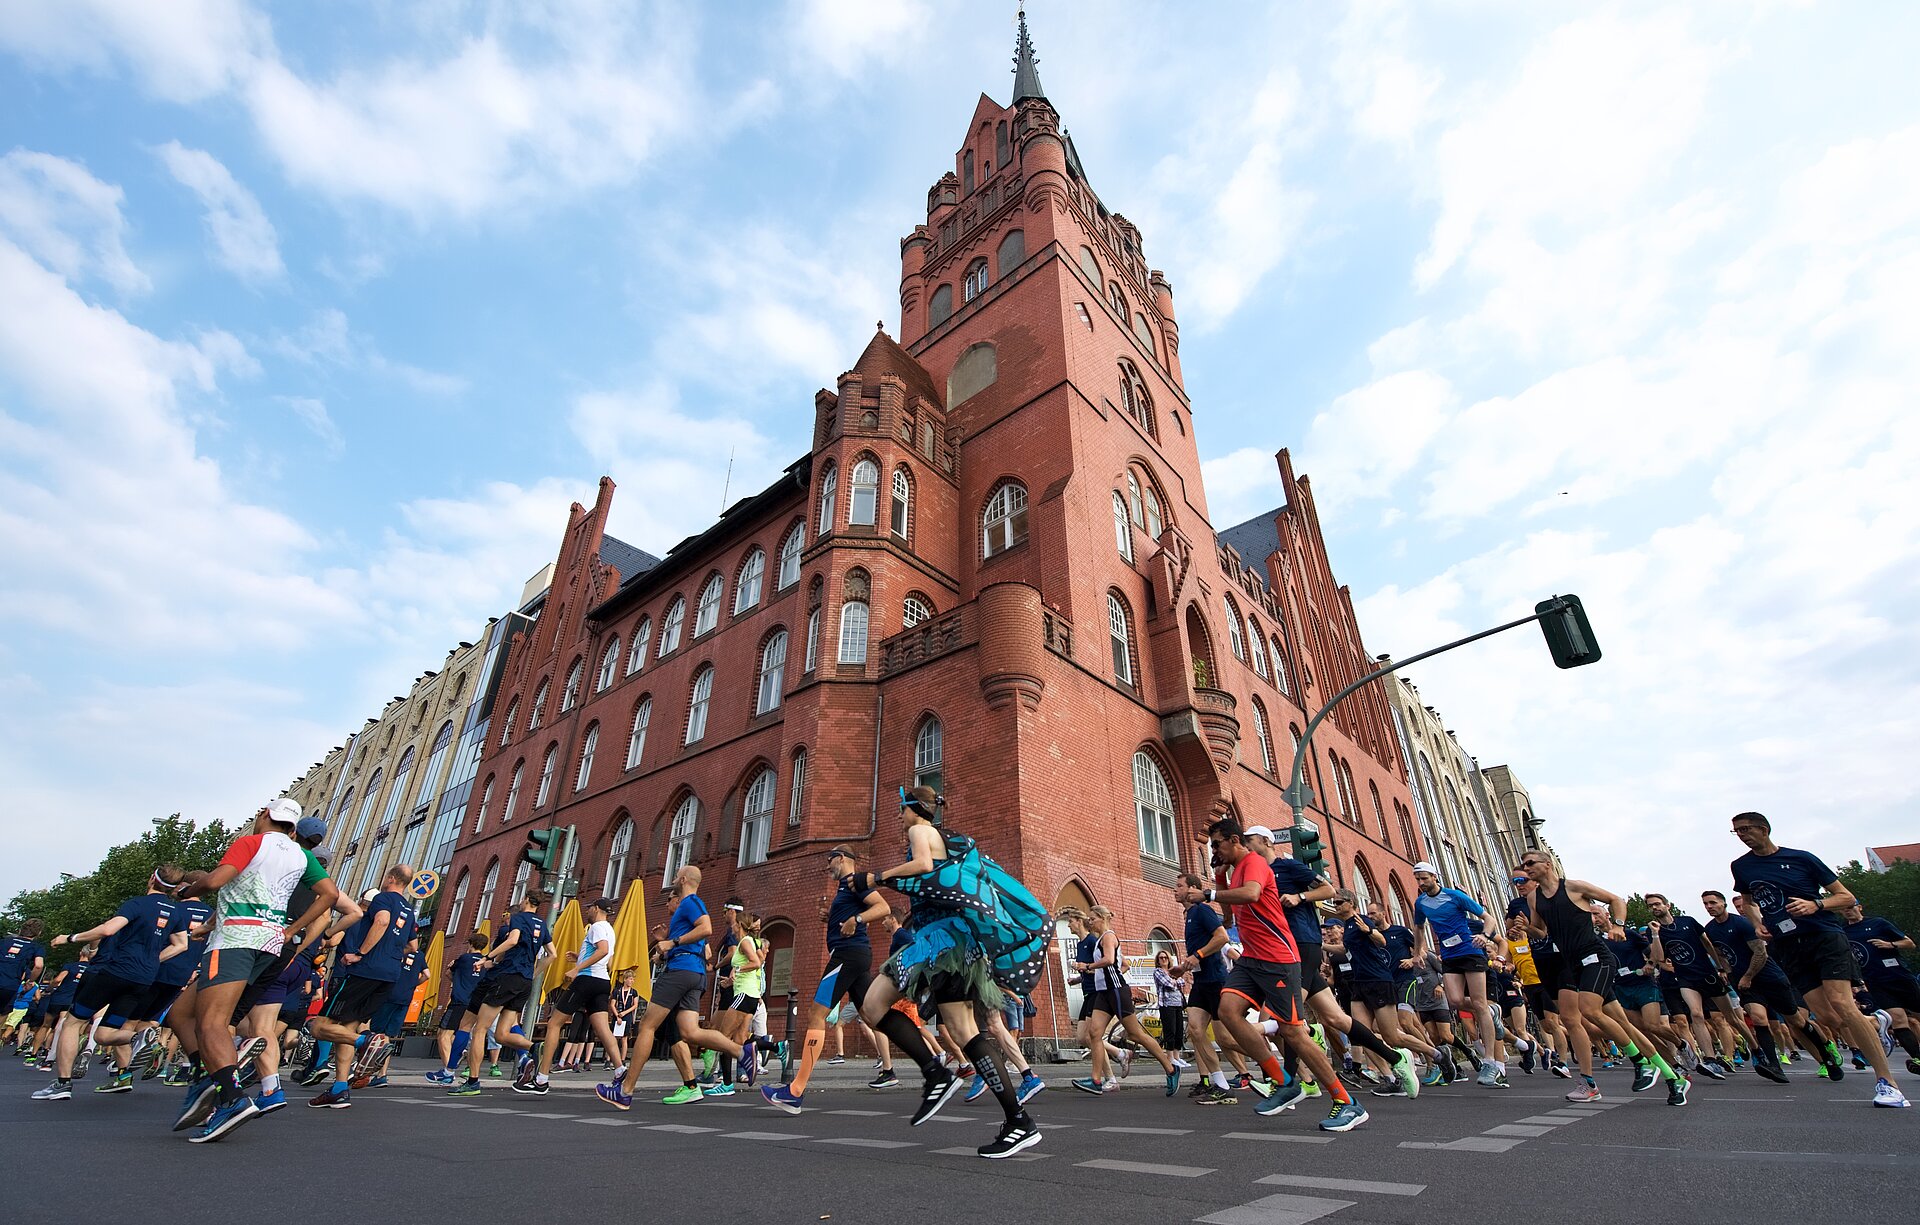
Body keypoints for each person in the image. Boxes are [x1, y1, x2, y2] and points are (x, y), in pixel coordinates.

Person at [840, 785, 1046, 1158]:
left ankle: (935, 1073)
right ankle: (1018, 1121)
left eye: (901, 809)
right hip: (961, 945)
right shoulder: (950, 841)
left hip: (938, 942)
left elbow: (921, 866)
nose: (899, 816)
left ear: (913, 808)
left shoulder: (920, 831)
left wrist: (874, 878)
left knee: (872, 1007)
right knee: (967, 1031)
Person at [169, 799, 338, 1142]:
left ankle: (231, 1098)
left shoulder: (250, 842)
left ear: (264, 815)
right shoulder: (300, 856)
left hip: (234, 939)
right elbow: (330, 895)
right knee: (180, 1013)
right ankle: (208, 1078)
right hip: (270, 945)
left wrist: (189, 890)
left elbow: (217, 880)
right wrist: (293, 931)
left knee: (212, 1022)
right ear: (293, 828)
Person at [1728, 811, 1908, 1107]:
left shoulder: (1802, 858)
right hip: (1788, 945)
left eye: (1745, 829)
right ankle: (1875, 1023)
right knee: (1828, 1018)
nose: (1741, 835)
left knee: (1842, 1003)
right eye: (1736, 831)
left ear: (1763, 829)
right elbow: (1748, 902)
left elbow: (1846, 897)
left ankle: (1888, 1084)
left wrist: (1816, 904)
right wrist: (1758, 922)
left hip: (1824, 936)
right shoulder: (1742, 867)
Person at [1205, 818, 1365, 1132]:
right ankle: (1282, 1081)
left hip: (1279, 959)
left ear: (1235, 840)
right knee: (1228, 1011)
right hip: (1252, 959)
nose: (1214, 850)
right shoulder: (1233, 870)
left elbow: (1251, 894)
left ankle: (1346, 1102)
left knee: (1293, 1033)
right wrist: (1220, 880)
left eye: (1216, 844)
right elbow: (1227, 917)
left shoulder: (1253, 863)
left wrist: (1209, 894)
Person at [1518, 850, 1686, 1105]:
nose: (1525, 868)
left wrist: (1618, 925)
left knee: (1588, 1010)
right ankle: (1674, 1078)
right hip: (1574, 964)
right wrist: (1525, 928)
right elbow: (1541, 932)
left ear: (1547, 864)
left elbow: (1616, 899)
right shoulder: (1534, 898)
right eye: (1523, 865)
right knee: (1623, 1024)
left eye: (1530, 863)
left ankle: (1640, 1061)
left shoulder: (1574, 887)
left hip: (1596, 957)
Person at [597, 865, 753, 1109]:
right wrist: (665, 946)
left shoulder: (691, 901)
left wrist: (673, 941)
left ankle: (625, 1090)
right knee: (690, 1032)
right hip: (692, 972)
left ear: (682, 879)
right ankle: (742, 1053)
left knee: (647, 1025)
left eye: (676, 874)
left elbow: (706, 928)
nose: (672, 878)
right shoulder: (686, 907)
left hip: (682, 971)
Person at [30, 867, 191, 1101]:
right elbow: (181, 945)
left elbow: (108, 929)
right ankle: (139, 1038)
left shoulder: (136, 904)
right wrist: (153, 959)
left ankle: (62, 1084)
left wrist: (69, 938)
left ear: (150, 880)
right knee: (105, 1034)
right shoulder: (176, 912)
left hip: (116, 972)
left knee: (72, 1023)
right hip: (143, 978)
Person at [762, 846, 892, 1111]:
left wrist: (856, 918)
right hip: (853, 955)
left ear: (841, 858)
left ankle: (795, 1090)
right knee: (873, 1016)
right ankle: (932, 1060)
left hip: (847, 955)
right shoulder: (844, 889)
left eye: (829, 861)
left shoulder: (854, 882)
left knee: (816, 1014)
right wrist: (832, 919)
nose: (827, 866)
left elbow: (883, 907)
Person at [305, 865, 417, 1108]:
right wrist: (390, 953)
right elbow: (413, 946)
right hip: (389, 975)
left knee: (318, 1027)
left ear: (390, 878)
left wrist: (361, 953)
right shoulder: (409, 909)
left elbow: (382, 920)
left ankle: (366, 1043)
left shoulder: (383, 898)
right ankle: (339, 1088)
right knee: (347, 1027)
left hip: (365, 971)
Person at [1702, 889, 1830, 1084]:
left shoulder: (1742, 923)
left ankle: (1826, 1052)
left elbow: (1760, 952)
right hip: (1744, 983)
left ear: (1723, 903)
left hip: (1769, 977)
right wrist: (1726, 971)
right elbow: (1720, 953)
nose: (1709, 907)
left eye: (1713, 902)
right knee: (1759, 1019)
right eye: (1706, 904)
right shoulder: (1710, 929)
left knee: (1796, 1021)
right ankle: (1774, 1066)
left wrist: (1748, 976)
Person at [1410, 862, 1506, 1087]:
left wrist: (1484, 935)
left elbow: (1488, 918)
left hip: (1470, 951)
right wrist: (1417, 952)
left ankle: (1490, 1061)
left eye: (1424, 878)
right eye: (1418, 880)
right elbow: (1419, 928)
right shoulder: (1420, 903)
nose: (1421, 883)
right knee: (1454, 1001)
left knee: (1479, 1004)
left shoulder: (1454, 896)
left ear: (1434, 876)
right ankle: (1492, 1011)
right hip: (1449, 955)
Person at [1074, 905, 1186, 1096]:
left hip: (1116, 990)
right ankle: (1096, 1079)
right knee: (1094, 1033)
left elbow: (1109, 960)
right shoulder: (1100, 939)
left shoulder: (1109, 936)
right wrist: (1086, 972)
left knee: (1136, 1034)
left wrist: (1087, 966)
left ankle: (1171, 1068)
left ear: (1102, 918)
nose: (1089, 922)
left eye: (1092, 919)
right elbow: (1113, 962)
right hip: (1103, 992)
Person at [450, 890, 553, 1096]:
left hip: (507, 977)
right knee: (502, 1034)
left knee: (480, 1029)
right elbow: (553, 954)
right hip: (524, 982)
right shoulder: (542, 924)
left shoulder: (518, 918)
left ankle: (472, 1081)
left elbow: (513, 940)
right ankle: (534, 1048)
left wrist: (488, 956)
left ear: (525, 900)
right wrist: (533, 973)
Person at [520, 896, 624, 1095]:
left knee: (554, 1024)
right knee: (602, 1029)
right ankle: (620, 1069)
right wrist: (579, 958)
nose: (587, 912)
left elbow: (602, 951)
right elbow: (606, 959)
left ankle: (541, 1079)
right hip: (602, 981)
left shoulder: (597, 927)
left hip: (586, 980)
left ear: (596, 908)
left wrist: (578, 969)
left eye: (589, 908)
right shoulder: (610, 930)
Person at [1173, 875, 1238, 1103]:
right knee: (1195, 1029)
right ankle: (1220, 1084)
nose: (1175, 890)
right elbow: (1196, 953)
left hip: (1216, 980)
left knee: (1227, 1040)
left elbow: (1221, 937)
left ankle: (1276, 1064)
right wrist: (1183, 967)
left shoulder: (1202, 910)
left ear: (1193, 889)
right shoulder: (1190, 915)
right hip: (1201, 981)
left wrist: (1198, 955)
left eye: (1179, 886)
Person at [1843, 902, 1920, 1071]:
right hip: (1875, 981)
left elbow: (1909, 943)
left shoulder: (1878, 923)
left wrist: (1890, 945)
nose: (1848, 911)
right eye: (1844, 909)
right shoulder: (1844, 932)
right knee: (1898, 1019)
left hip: (1899, 976)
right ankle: (1917, 1057)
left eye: (1851, 907)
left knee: (1917, 1015)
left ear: (1859, 907)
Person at [429, 932, 491, 1084]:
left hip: (459, 1001)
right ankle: (458, 1052)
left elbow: (448, 972)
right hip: (475, 1003)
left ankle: (448, 1071)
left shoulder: (464, 959)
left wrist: (456, 979)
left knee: (443, 1034)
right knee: (461, 1033)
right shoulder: (485, 963)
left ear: (470, 944)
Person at [0, 920, 47, 1027]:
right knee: (4, 1012)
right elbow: (39, 965)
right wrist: (31, 981)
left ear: (21, 930)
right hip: (10, 984)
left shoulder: (4, 942)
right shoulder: (36, 947)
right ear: (38, 933)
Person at [1152, 951, 1188, 1058]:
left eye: (1165, 957)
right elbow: (1168, 984)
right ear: (1158, 960)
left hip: (1178, 1004)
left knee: (1179, 1031)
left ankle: (1177, 1057)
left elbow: (1183, 983)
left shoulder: (1172, 971)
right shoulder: (1157, 971)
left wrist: (1174, 981)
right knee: (1170, 1031)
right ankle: (1170, 1058)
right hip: (1167, 1005)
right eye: (1161, 958)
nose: (1163, 959)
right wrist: (1175, 980)